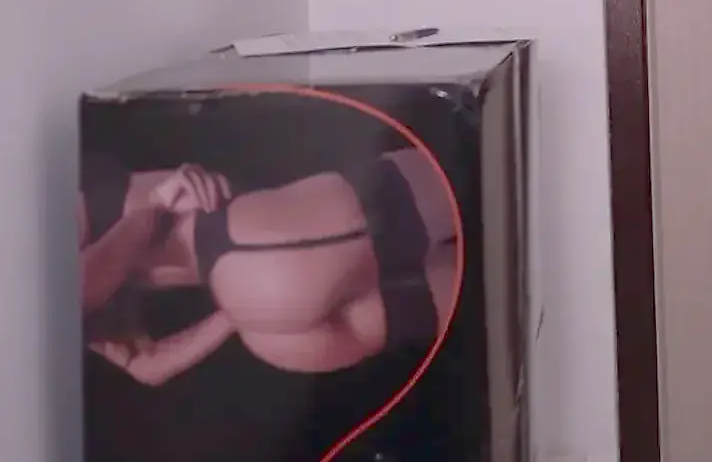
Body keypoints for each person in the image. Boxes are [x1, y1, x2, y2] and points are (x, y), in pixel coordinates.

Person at [80, 148, 459, 385]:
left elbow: (148, 366)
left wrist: (234, 315)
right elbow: (85, 283)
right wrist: (154, 208)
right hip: (252, 244)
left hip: (257, 304)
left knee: (481, 286)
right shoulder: (48, 210)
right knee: (475, 183)